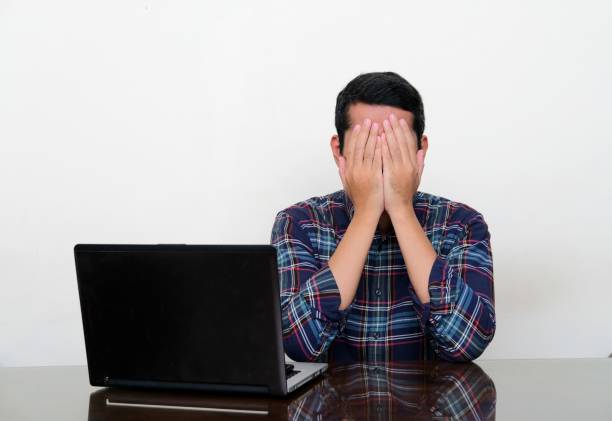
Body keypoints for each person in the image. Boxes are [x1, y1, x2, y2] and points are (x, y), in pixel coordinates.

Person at [270, 71, 495, 364]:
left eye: (394, 147)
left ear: (420, 151)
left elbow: (467, 341)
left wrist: (401, 208)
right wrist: (366, 213)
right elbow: (300, 343)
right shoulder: (298, 223)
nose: (380, 160)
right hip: (330, 408)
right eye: (366, 146)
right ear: (339, 152)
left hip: (428, 408)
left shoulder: (461, 224)